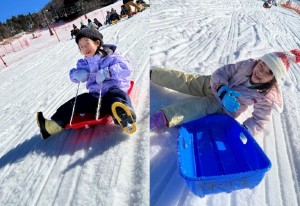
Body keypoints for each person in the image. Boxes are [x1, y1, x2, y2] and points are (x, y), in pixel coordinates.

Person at [150, 49, 300, 136]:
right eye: (261, 64)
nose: (260, 71)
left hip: (223, 106)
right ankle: (154, 74)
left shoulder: (266, 96)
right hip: (215, 85)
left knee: (198, 107)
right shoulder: (247, 65)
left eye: (268, 72)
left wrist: (245, 130)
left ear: (272, 80)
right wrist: (221, 88)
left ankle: (163, 117)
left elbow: (260, 120)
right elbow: (222, 72)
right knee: (187, 80)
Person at [37, 29, 137, 139]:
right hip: (95, 96)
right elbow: (73, 74)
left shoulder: (111, 56)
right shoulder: (84, 63)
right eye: (81, 46)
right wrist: (77, 74)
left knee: (116, 96)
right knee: (77, 102)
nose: (85, 48)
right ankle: (52, 126)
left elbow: (125, 67)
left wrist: (108, 72)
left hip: (113, 88)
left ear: (97, 42)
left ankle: (124, 115)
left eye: (87, 44)